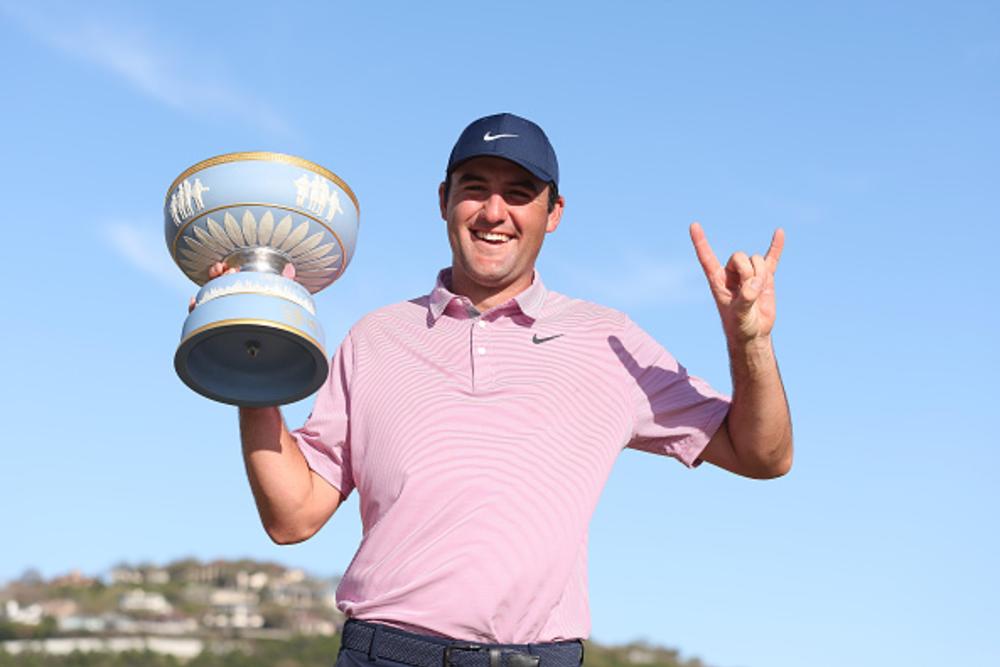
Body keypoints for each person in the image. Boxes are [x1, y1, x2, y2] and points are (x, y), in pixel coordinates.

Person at [221, 113, 792, 667]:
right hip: (386, 654)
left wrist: (749, 341)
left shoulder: (609, 339)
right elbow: (292, 516)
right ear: (444, 199)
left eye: (519, 193)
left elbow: (762, 455)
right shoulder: (375, 337)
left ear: (554, 213)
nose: (494, 212)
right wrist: (253, 351)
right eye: (475, 189)